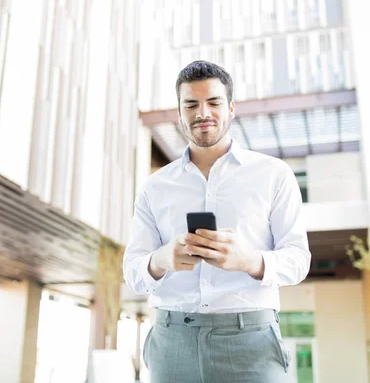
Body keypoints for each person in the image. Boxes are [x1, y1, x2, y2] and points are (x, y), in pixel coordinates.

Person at [123, 60, 311, 382]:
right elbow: (133, 270)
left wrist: (249, 260)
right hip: (172, 342)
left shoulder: (274, 174)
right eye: (191, 104)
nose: (203, 113)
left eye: (213, 102)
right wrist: (161, 259)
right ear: (180, 113)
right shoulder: (155, 186)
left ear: (231, 108)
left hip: (250, 340)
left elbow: (298, 260)